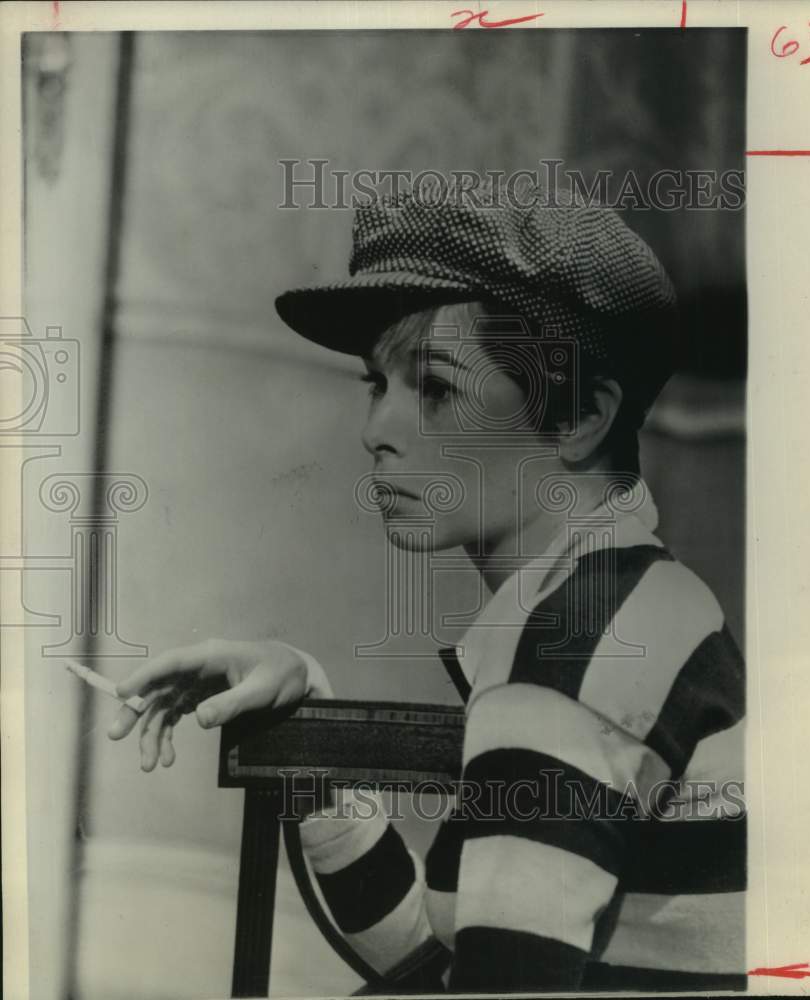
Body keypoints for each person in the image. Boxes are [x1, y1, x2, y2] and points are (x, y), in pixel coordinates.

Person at [109, 180, 745, 993]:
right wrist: (306, 735)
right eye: (378, 385)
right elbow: (438, 953)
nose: (375, 432)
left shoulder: (586, 649)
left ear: (581, 414)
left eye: (436, 388)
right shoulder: (615, 612)